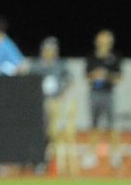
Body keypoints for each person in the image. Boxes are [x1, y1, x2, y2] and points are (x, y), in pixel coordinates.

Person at [33, 37, 77, 174]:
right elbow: (29, 81)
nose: (49, 52)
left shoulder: (60, 64)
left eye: (52, 49)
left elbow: (70, 79)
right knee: (41, 131)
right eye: (47, 49)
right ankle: (39, 161)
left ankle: (52, 161)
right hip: (40, 102)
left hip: (55, 102)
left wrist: (62, 94)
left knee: (54, 132)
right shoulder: (36, 65)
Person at [84, 29, 123, 170]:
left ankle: (115, 154)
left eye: (107, 40)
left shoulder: (115, 57)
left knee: (112, 125)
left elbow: (118, 77)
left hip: (108, 93)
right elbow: (86, 76)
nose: (104, 42)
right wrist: (95, 75)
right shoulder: (91, 57)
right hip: (94, 92)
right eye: (102, 39)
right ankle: (91, 154)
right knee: (94, 125)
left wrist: (106, 75)